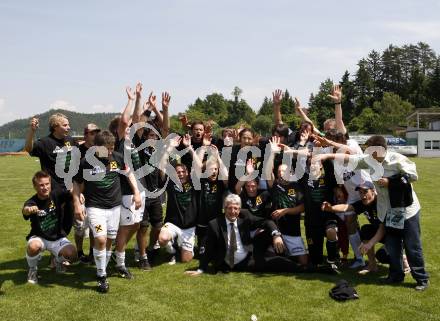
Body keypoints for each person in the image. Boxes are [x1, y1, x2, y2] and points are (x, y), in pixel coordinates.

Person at [73, 130, 141, 293]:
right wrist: (77, 203)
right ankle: (101, 275)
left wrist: (136, 192)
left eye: (111, 148)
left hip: (114, 207)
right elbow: (77, 184)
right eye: (107, 149)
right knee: (101, 240)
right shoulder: (85, 162)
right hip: (95, 208)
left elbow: (129, 173)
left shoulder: (117, 157)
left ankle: (110, 265)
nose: (110, 152)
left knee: (110, 239)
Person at [185, 194, 286, 275]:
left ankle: (299, 267)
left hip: (247, 259)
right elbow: (207, 247)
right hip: (225, 264)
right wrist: (200, 269)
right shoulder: (215, 224)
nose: (232, 212)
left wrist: (276, 235)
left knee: (276, 263)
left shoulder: (245, 215)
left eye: (236, 208)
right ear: (224, 208)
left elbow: (266, 222)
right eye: (229, 208)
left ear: (240, 209)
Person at [24, 113, 78, 235]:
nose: (68, 127)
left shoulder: (71, 141)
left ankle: (66, 250)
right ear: (55, 126)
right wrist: (32, 131)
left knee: (68, 223)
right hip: (54, 192)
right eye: (65, 125)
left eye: (68, 124)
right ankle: (54, 250)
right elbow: (28, 148)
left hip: (70, 190)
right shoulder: (45, 142)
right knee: (54, 224)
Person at [22, 171, 78, 284]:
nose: (45, 187)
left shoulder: (56, 194)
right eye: (41, 185)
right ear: (35, 186)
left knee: (73, 254)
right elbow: (25, 210)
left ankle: (58, 261)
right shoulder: (32, 202)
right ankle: (32, 270)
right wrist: (28, 210)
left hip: (57, 238)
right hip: (39, 237)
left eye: (47, 184)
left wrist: (78, 195)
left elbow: (72, 191)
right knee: (33, 246)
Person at [157, 135, 200, 264]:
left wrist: (189, 148)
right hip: (173, 223)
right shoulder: (171, 183)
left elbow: (198, 166)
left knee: (186, 260)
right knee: (162, 239)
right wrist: (170, 148)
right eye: (178, 172)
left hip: (189, 226)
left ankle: (181, 245)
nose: (180, 174)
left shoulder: (194, 183)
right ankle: (172, 250)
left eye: (183, 172)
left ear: (187, 173)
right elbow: (162, 166)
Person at [74, 123, 100, 264]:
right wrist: (77, 195)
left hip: (95, 193)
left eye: (97, 132)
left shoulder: (100, 150)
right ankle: (79, 252)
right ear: (85, 135)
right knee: (79, 227)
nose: (95, 134)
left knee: (93, 226)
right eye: (92, 132)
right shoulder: (77, 151)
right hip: (81, 193)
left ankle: (91, 253)